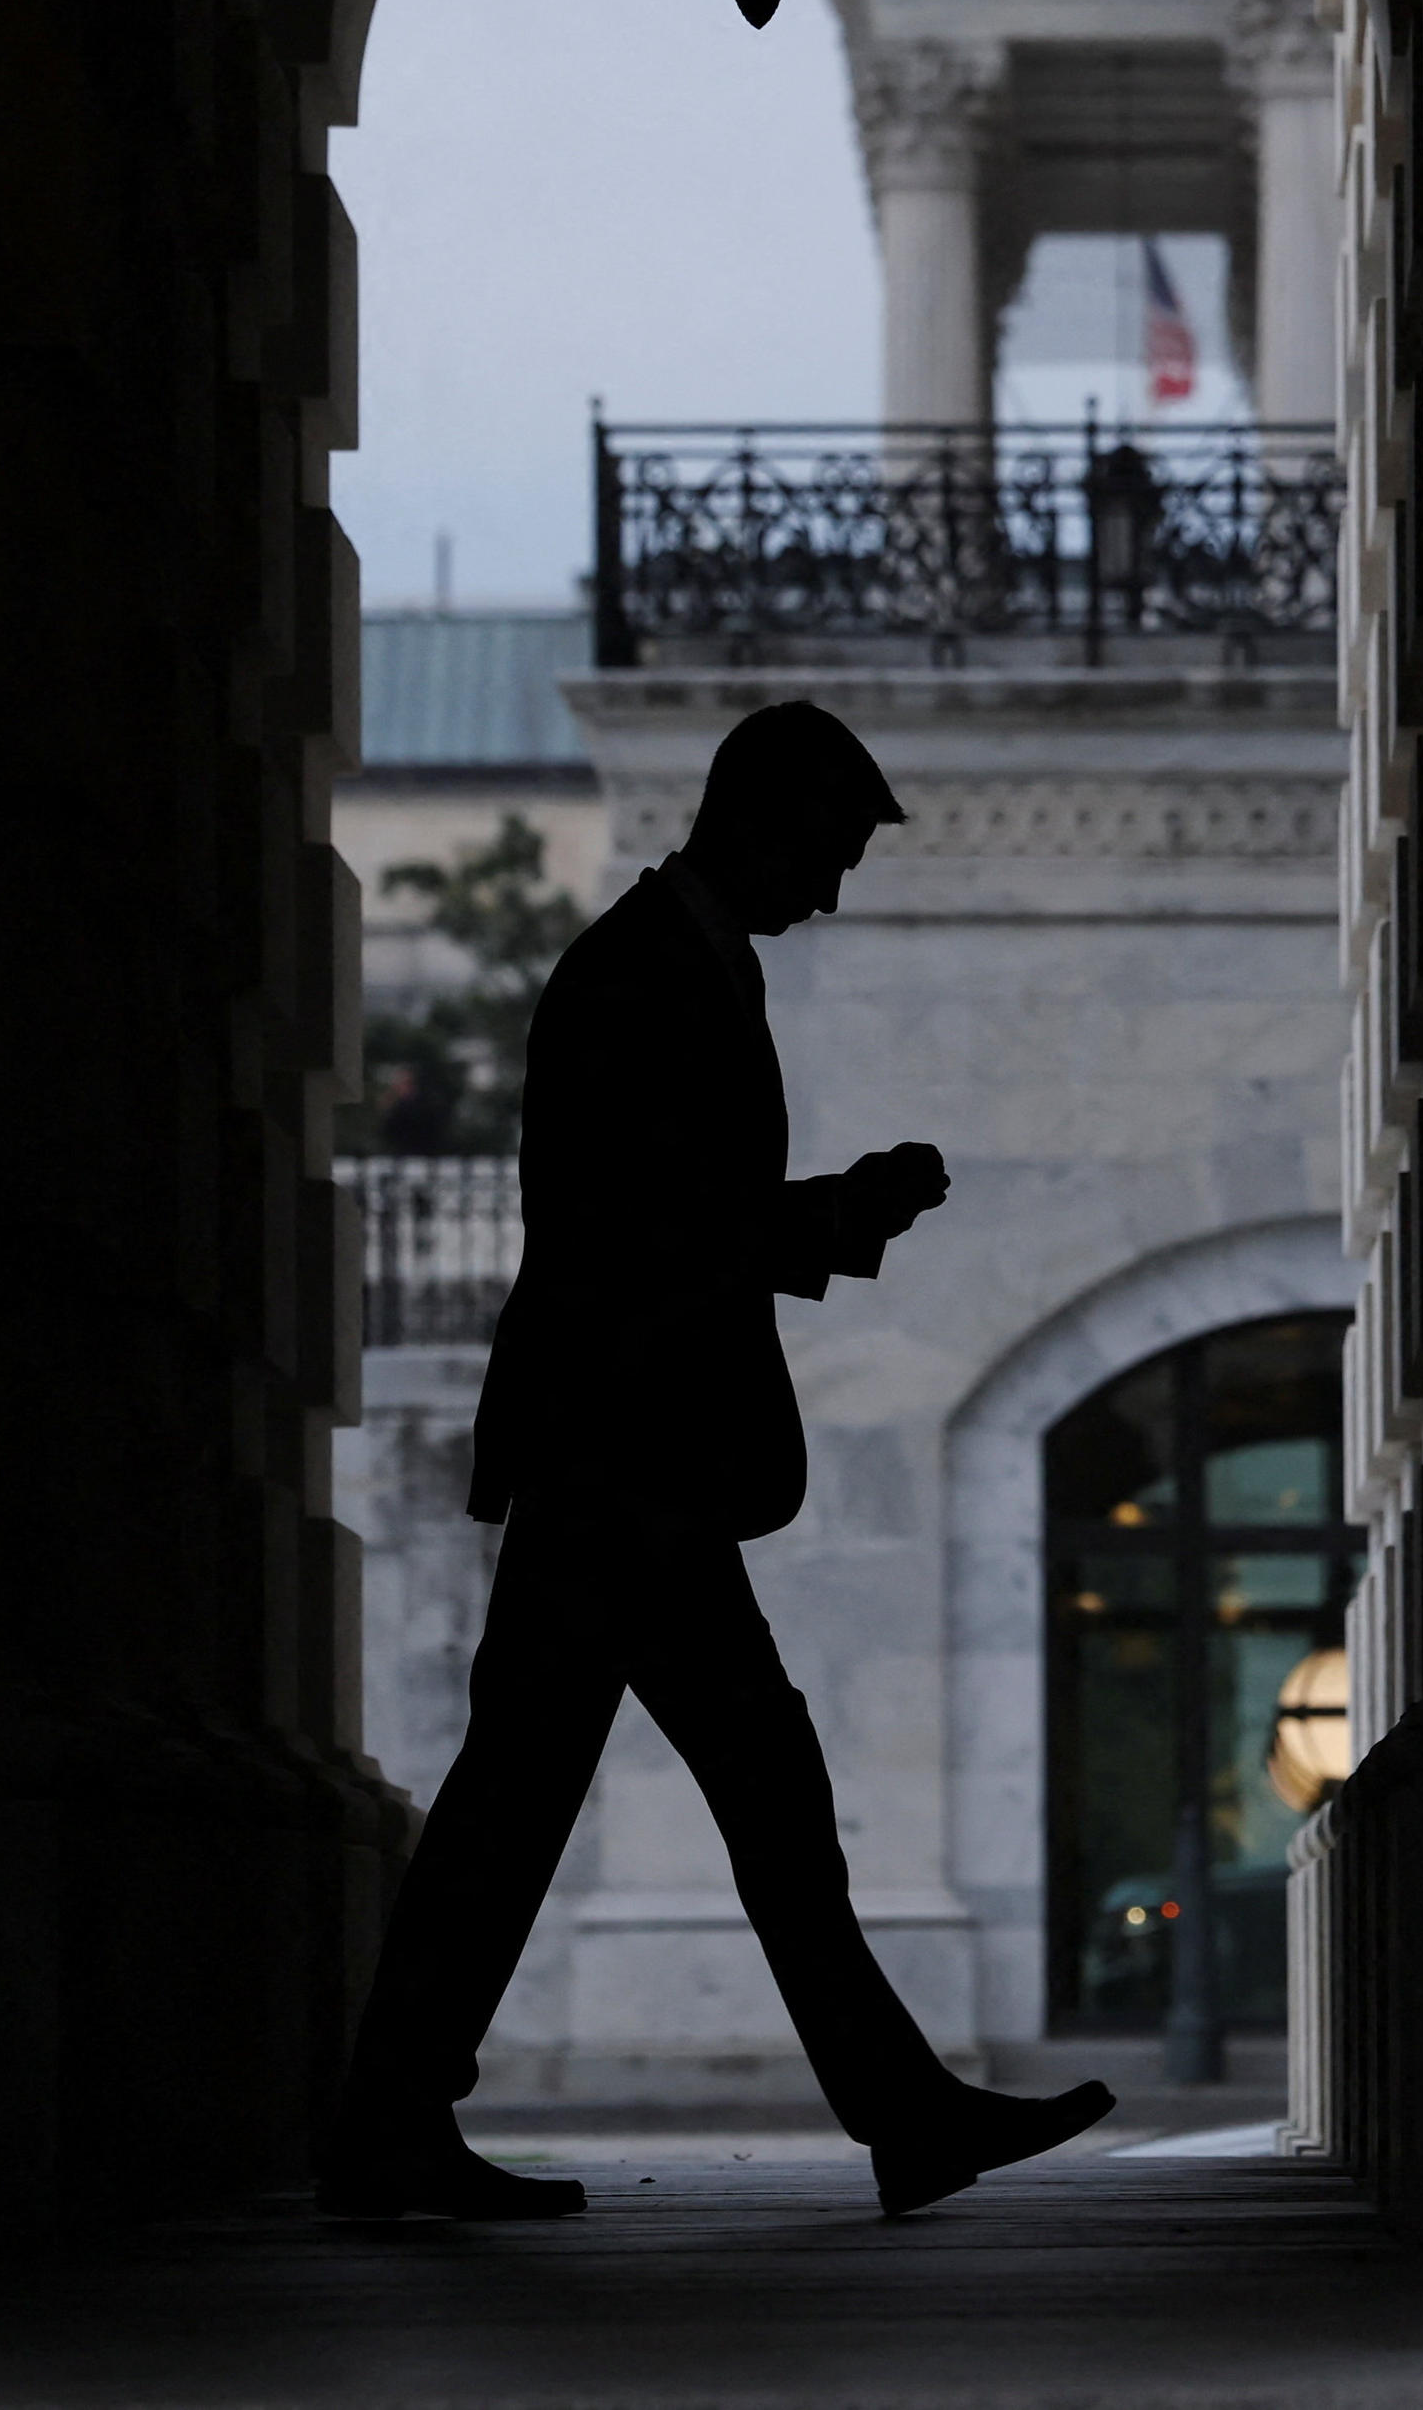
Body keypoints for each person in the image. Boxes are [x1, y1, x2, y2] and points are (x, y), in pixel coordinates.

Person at [321, 700, 1116, 2221]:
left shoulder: (672, 965)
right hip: (622, 1461)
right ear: (755, 818)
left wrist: (827, 1213)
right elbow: (642, 1229)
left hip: (626, 1461)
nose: (830, 891)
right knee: (627, 1792)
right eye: (823, 852)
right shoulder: (641, 977)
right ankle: (404, 2121)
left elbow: (656, 1215)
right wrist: (833, 1217)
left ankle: (410, 2117)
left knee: (642, 1789)